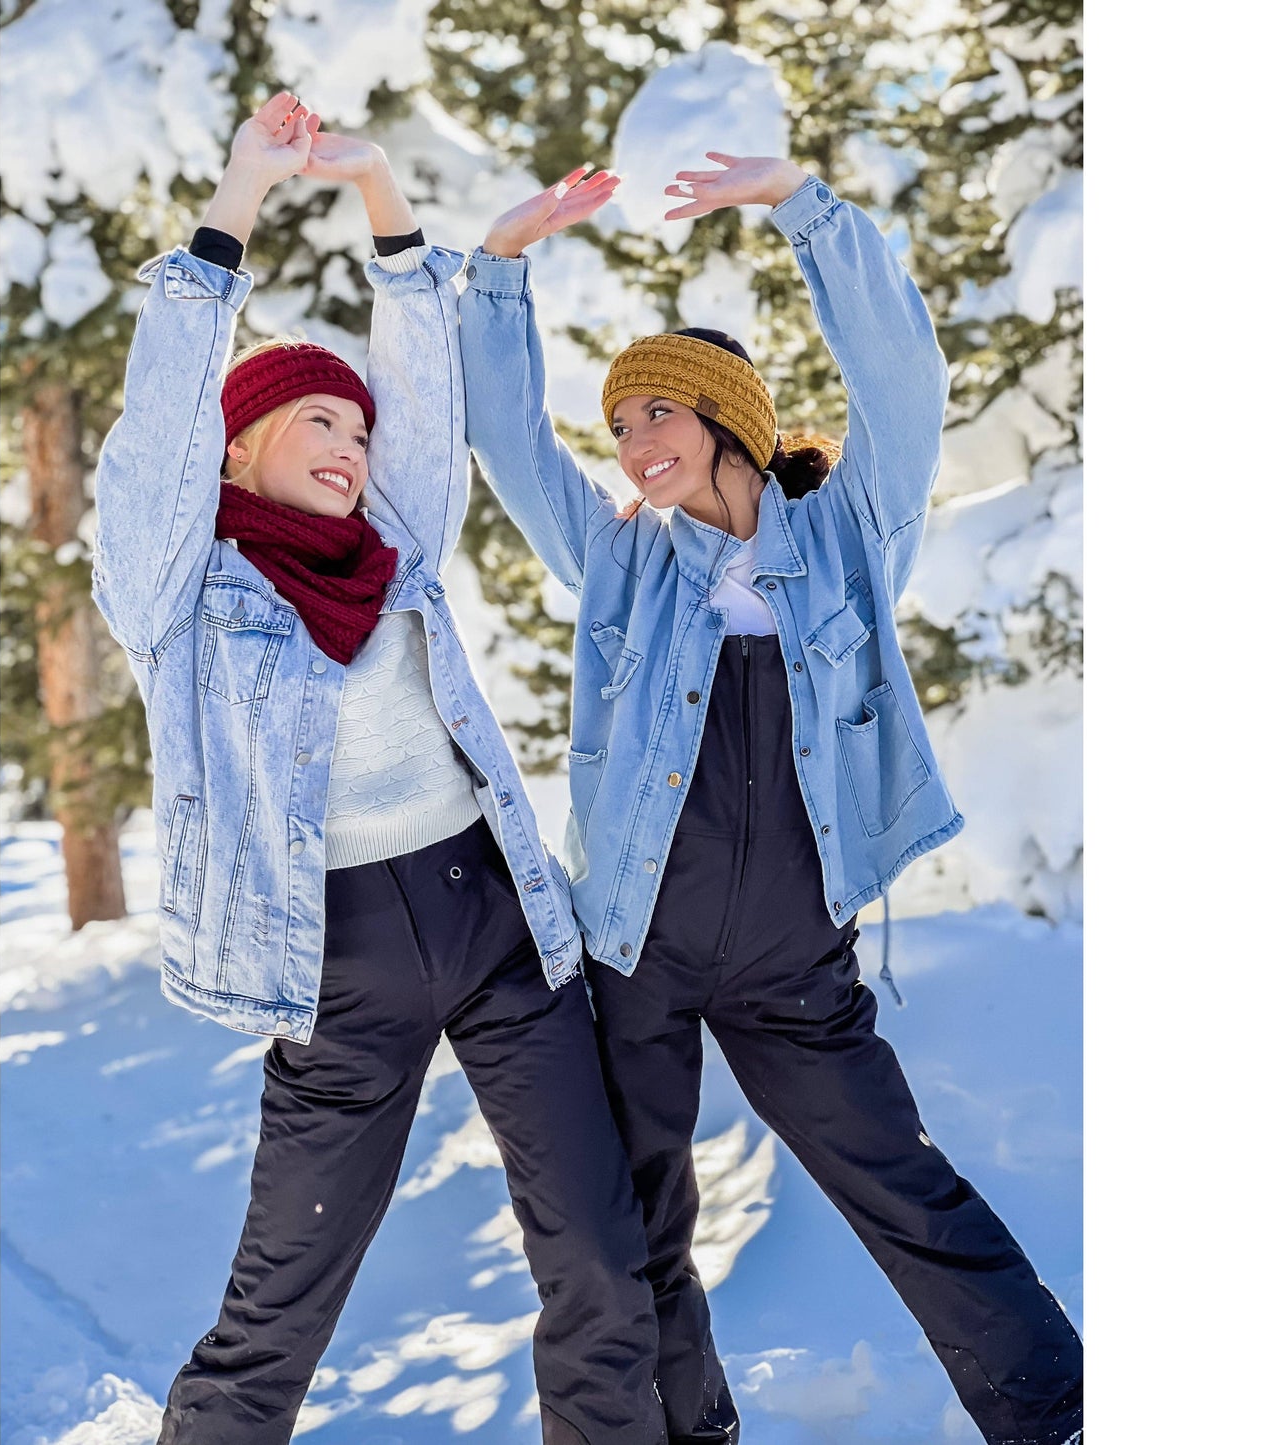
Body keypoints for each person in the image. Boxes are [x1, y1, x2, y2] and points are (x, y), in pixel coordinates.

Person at [457, 152, 1084, 1445]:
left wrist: (803, 204)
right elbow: (511, 440)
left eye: (657, 414)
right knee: (642, 1218)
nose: (633, 445)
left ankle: (1054, 1413)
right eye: (619, 426)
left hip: (795, 957)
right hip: (636, 946)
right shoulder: (622, 561)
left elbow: (903, 384)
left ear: (727, 419)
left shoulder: (847, 536)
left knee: (899, 1183)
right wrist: (500, 265)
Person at [92, 93, 666, 1445]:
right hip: (330, 957)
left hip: (491, 916)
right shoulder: (175, 588)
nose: (354, 447)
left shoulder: (393, 548)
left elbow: (421, 394)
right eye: (320, 423)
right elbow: (159, 417)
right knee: (282, 1299)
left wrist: (381, 194)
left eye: (359, 434)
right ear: (239, 446)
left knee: (596, 1251)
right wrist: (239, 197)